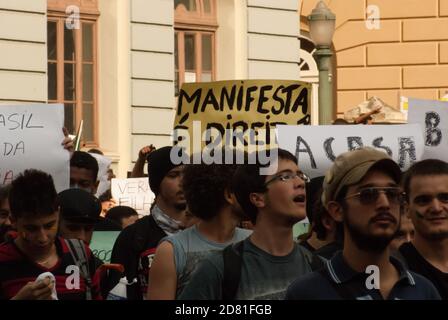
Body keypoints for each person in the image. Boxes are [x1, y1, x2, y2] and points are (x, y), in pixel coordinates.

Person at [286, 147, 440, 300]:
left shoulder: (423, 290)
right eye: (368, 194)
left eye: (392, 194)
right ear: (336, 210)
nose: (384, 203)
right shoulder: (307, 293)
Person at [179, 149, 312, 300]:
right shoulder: (220, 269)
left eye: (301, 176)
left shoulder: (317, 266)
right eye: (285, 177)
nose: (300, 182)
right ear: (257, 198)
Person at [148, 156, 251, 299]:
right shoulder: (171, 251)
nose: (254, 195)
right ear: (229, 195)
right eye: (246, 187)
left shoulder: (254, 242)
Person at [0, 170, 101, 300]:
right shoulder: (3, 260)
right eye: (31, 228)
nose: (43, 238)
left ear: (58, 214)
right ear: (13, 221)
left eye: (49, 226)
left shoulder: (81, 255)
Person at [107, 146, 188, 300]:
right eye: (174, 175)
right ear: (156, 183)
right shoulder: (133, 236)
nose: (183, 182)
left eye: (187, 174)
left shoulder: (205, 230)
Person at [399, 159, 448, 299]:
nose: (436, 208)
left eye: (445, 198)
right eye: (423, 200)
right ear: (407, 208)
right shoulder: (394, 268)